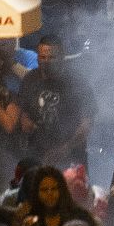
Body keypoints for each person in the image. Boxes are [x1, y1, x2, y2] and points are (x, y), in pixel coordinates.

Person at [16, 36, 95, 169]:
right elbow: (23, 112)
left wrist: (65, 148)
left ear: (62, 57)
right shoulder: (30, 79)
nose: (46, 62)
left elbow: (87, 123)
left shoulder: (77, 81)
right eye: (42, 57)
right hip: (38, 156)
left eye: (51, 57)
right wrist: (26, 122)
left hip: (71, 157)